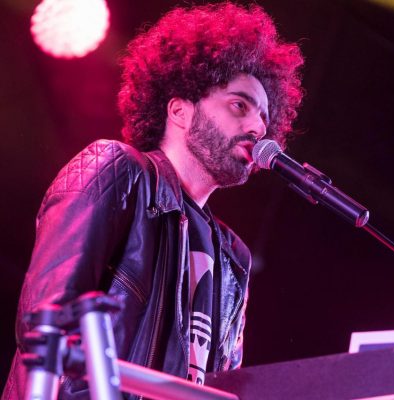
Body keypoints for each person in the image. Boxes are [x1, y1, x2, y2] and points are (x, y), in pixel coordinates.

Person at [2, 2, 303, 399]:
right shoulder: (117, 171)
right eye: (239, 105)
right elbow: (46, 328)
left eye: (263, 117)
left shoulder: (234, 257)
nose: (257, 127)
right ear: (179, 110)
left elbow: (222, 384)